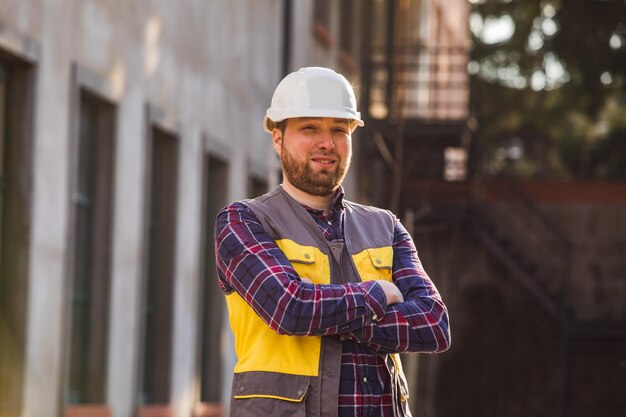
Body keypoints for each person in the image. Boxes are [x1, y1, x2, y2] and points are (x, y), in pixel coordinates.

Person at [214, 66, 450, 417]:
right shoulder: (242, 221)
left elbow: (434, 325)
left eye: (339, 130)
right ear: (278, 138)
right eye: (310, 128)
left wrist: (326, 309)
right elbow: (289, 308)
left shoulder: (385, 226)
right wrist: (377, 295)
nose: (327, 143)